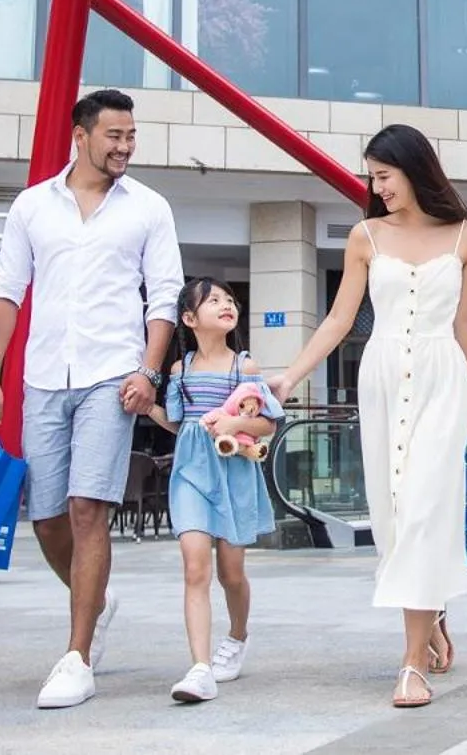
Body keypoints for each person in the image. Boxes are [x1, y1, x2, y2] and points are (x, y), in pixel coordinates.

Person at [0, 88, 184, 710]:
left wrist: (149, 372)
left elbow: (164, 298)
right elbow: (6, 293)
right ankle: (96, 599)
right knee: (45, 517)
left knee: (88, 507)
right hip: (41, 377)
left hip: (111, 378)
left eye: (130, 137)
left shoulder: (148, 208)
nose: (123, 147)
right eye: (113, 136)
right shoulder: (32, 206)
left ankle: (78, 656)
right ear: (81, 135)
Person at [269, 123, 467, 709]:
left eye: (383, 175)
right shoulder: (365, 236)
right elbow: (340, 320)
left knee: (423, 508)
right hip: (384, 378)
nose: (376, 186)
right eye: (373, 176)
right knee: (392, 516)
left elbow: (464, 321)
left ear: (414, 169)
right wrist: (290, 377)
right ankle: (431, 611)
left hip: (444, 379)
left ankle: (411, 665)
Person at [145, 277, 281, 704]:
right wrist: (143, 404)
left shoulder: (246, 367)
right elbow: (175, 419)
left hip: (234, 472)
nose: (226, 305)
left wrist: (235, 424)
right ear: (189, 318)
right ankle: (200, 668)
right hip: (190, 472)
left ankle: (237, 636)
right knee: (194, 567)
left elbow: (268, 423)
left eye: (229, 300)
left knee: (231, 573)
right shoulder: (179, 370)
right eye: (214, 301)